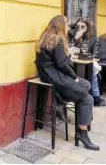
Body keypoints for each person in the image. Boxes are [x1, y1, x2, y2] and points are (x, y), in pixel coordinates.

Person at [35, 15, 99, 151]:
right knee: (87, 99)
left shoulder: (44, 37)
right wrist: (74, 77)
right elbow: (62, 64)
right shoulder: (57, 40)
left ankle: (72, 108)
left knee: (86, 85)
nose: (69, 27)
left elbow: (57, 61)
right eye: (67, 25)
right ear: (61, 25)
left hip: (47, 76)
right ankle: (82, 134)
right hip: (57, 78)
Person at [68, 17, 105, 107]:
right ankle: (78, 95)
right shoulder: (72, 33)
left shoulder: (92, 37)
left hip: (87, 61)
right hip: (73, 61)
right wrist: (75, 37)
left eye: (82, 26)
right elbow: (67, 48)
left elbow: (95, 54)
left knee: (92, 70)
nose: (80, 28)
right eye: (78, 26)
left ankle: (95, 97)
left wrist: (87, 55)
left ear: (87, 27)